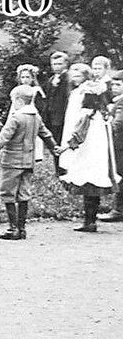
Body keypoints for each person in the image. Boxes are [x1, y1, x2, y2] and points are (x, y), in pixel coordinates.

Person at [0, 85, 57, 240]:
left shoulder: (16, 117)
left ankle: (12, 228)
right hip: (28, 161)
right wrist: (54, 148)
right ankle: (22, 229)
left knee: (7, 193)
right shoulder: (36, 117)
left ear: (19, 100)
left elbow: (3, 138)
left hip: (12, 161)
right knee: (23, 193)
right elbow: (46, 134)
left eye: (13, 100)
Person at [57, 59, 120, 232]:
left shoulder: (91, 90)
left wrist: (73, 141)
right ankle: (89, 220)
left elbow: (86, 117)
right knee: (86, 173)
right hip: (87, 137)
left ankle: (90, 220)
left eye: (78, 74)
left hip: (91, 138)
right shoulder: (79, 91)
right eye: (73, 74)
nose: (74, 77)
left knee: (91, 173)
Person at [46, 51, 73, 173]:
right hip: (52, 117)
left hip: (63, 117)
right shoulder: (51, 79)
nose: (56, 66)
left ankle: (63, 170)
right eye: (54, 64)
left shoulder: (69, 79)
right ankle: (58, 169)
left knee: (62, 143)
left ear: (66, 64)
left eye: (59, 64)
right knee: (54, 144)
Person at [102, 70, 123, 222]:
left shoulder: (121, 102)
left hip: (119, 145)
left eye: (118, 84)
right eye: (113, 84)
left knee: (120, 175)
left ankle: (118, 210)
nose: (114, 87)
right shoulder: (117, 101)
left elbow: (118, 124)